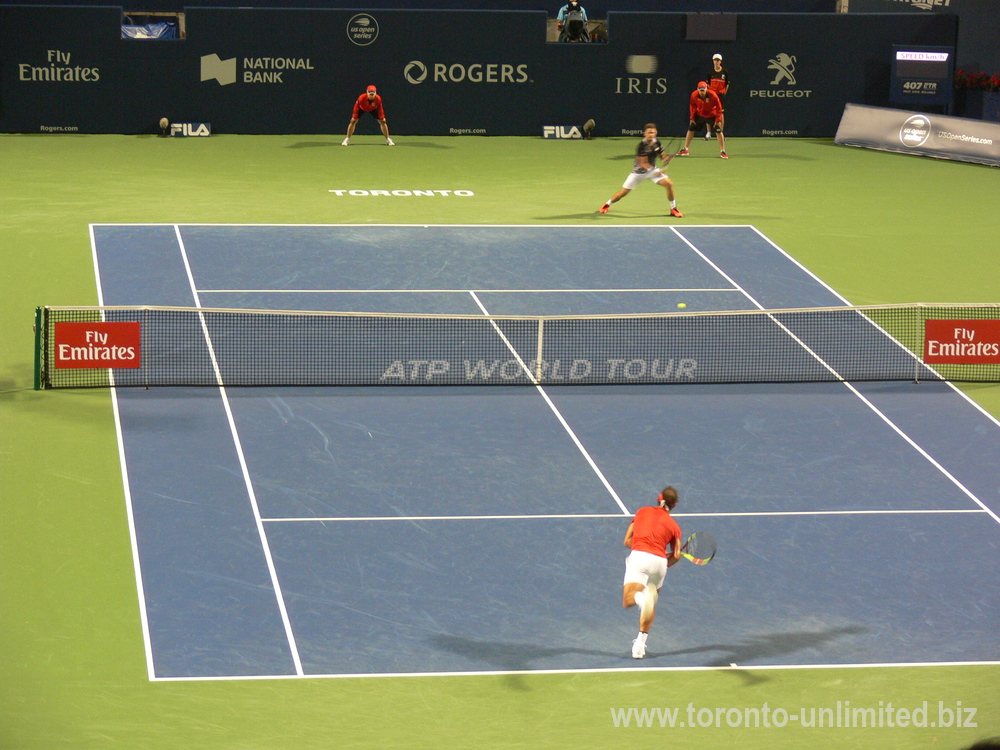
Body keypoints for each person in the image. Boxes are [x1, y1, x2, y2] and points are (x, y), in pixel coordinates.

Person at [622, 486, 683, 659]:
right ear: (674, 505)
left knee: (629, 600)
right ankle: (640, 646)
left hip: (640, 557)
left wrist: (646, 546)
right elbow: (677, 555)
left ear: (659, 497)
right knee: (652, 602)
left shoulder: (642, 512)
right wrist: (664, 560)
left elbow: (628, 541)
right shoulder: (674, 526)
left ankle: (641, 599)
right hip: (660, 563)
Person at [598, 123, 683, 218]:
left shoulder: (657, 142)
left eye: (653, 132)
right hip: (638, 173)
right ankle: (608, 204)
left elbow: (662, 155)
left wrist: (666, 158)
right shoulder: (642, 146)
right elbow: (643, 164)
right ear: (644, 134)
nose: (651, 134)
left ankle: (673, 208)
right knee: (623, 193)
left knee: (669, 184)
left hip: (652, 170)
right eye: (649, 132)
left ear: (656, 133)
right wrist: (656, 172)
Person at [677, 81, 727, 159]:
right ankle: (685, 149)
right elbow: (692, 106)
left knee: (718, 131)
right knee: (691, 129)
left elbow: (719, 108)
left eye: (703, 89)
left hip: (712, 114)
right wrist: (692, 118)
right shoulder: (694, 95)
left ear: (707, 88)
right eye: (700, 90)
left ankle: (723, 151)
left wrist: (717, 120)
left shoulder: (713, 95)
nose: (702, 91)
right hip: (700, 115)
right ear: (698, 89)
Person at [704, 54, 730, 140]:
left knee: (720, 114)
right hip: (711, 96)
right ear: (713, 61)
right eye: (715, 60)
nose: (716, 62)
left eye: (718, 60)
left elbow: (727, 84)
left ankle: (721, 132)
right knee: (709, 113)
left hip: (720, 96)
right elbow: (707, 85)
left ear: (721, 61)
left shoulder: (725, 72)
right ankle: (708, 133)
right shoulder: (710, 73)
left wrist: (724, 93)